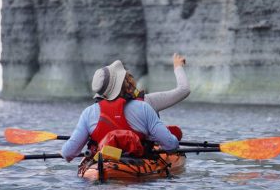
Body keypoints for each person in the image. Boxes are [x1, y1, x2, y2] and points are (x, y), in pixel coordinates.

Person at [61, 54, 190, 162]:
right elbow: (171, 146)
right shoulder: (145, 106)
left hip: (103, 166)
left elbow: (67, 153)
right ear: (125, 83)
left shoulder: (88, 113)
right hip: (137, 168)